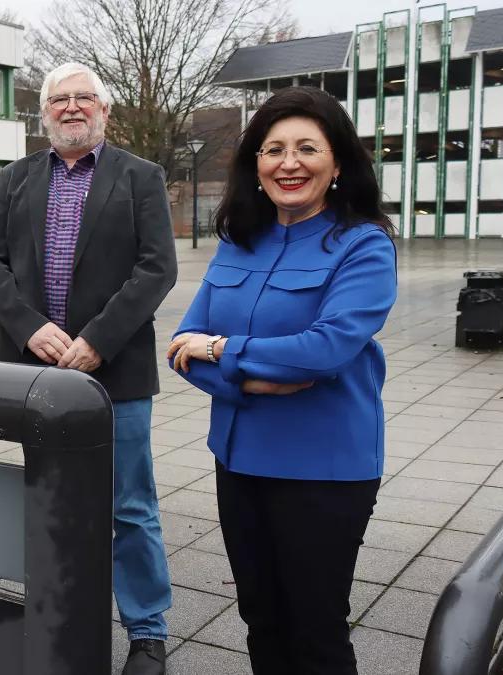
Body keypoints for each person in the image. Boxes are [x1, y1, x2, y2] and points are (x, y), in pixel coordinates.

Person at [166, 85, 397, 675]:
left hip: (323, 469)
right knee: (260, 620)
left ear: (337, 162)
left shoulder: (363, 246)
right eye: (273, 149)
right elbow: (180, 349)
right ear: (256, 166)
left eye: (306, 148)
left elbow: (323, 352)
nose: (288, 162)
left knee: (316, 629)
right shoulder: (239, 241)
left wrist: (224, 350)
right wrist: (257, 376)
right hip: (239, 462)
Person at [0, 62, 178, 675]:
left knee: (130, 506)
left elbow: (156, 268)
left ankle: (146, 631)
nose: (70, 108)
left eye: (83, 98)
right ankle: (56, 610)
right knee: (49, 501)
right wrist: (28, 326)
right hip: (34, 373)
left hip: (115, 372)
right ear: (43, 116)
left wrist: (97, 341)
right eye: (57, 100)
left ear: (104, 110)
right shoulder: (13, 179)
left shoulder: (141, 178)